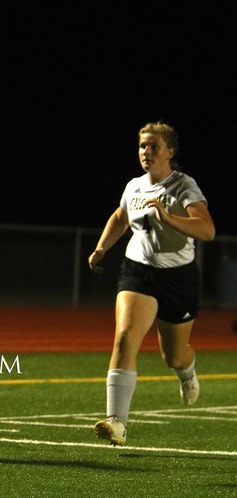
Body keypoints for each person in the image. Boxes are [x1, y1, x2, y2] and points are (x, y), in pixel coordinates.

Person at [88, 121, 216, 446]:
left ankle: (187, 372)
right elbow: (120, 216)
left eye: (154, 146)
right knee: (124, 338)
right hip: (138, 271)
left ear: (170, 151)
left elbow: (207, 230)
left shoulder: (184, 186)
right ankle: (117, 422)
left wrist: (168, 216)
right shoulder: (134, 186)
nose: (146, 152)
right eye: (143, 146)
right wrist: (102, 247)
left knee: (173, 356)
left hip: (178, 278)